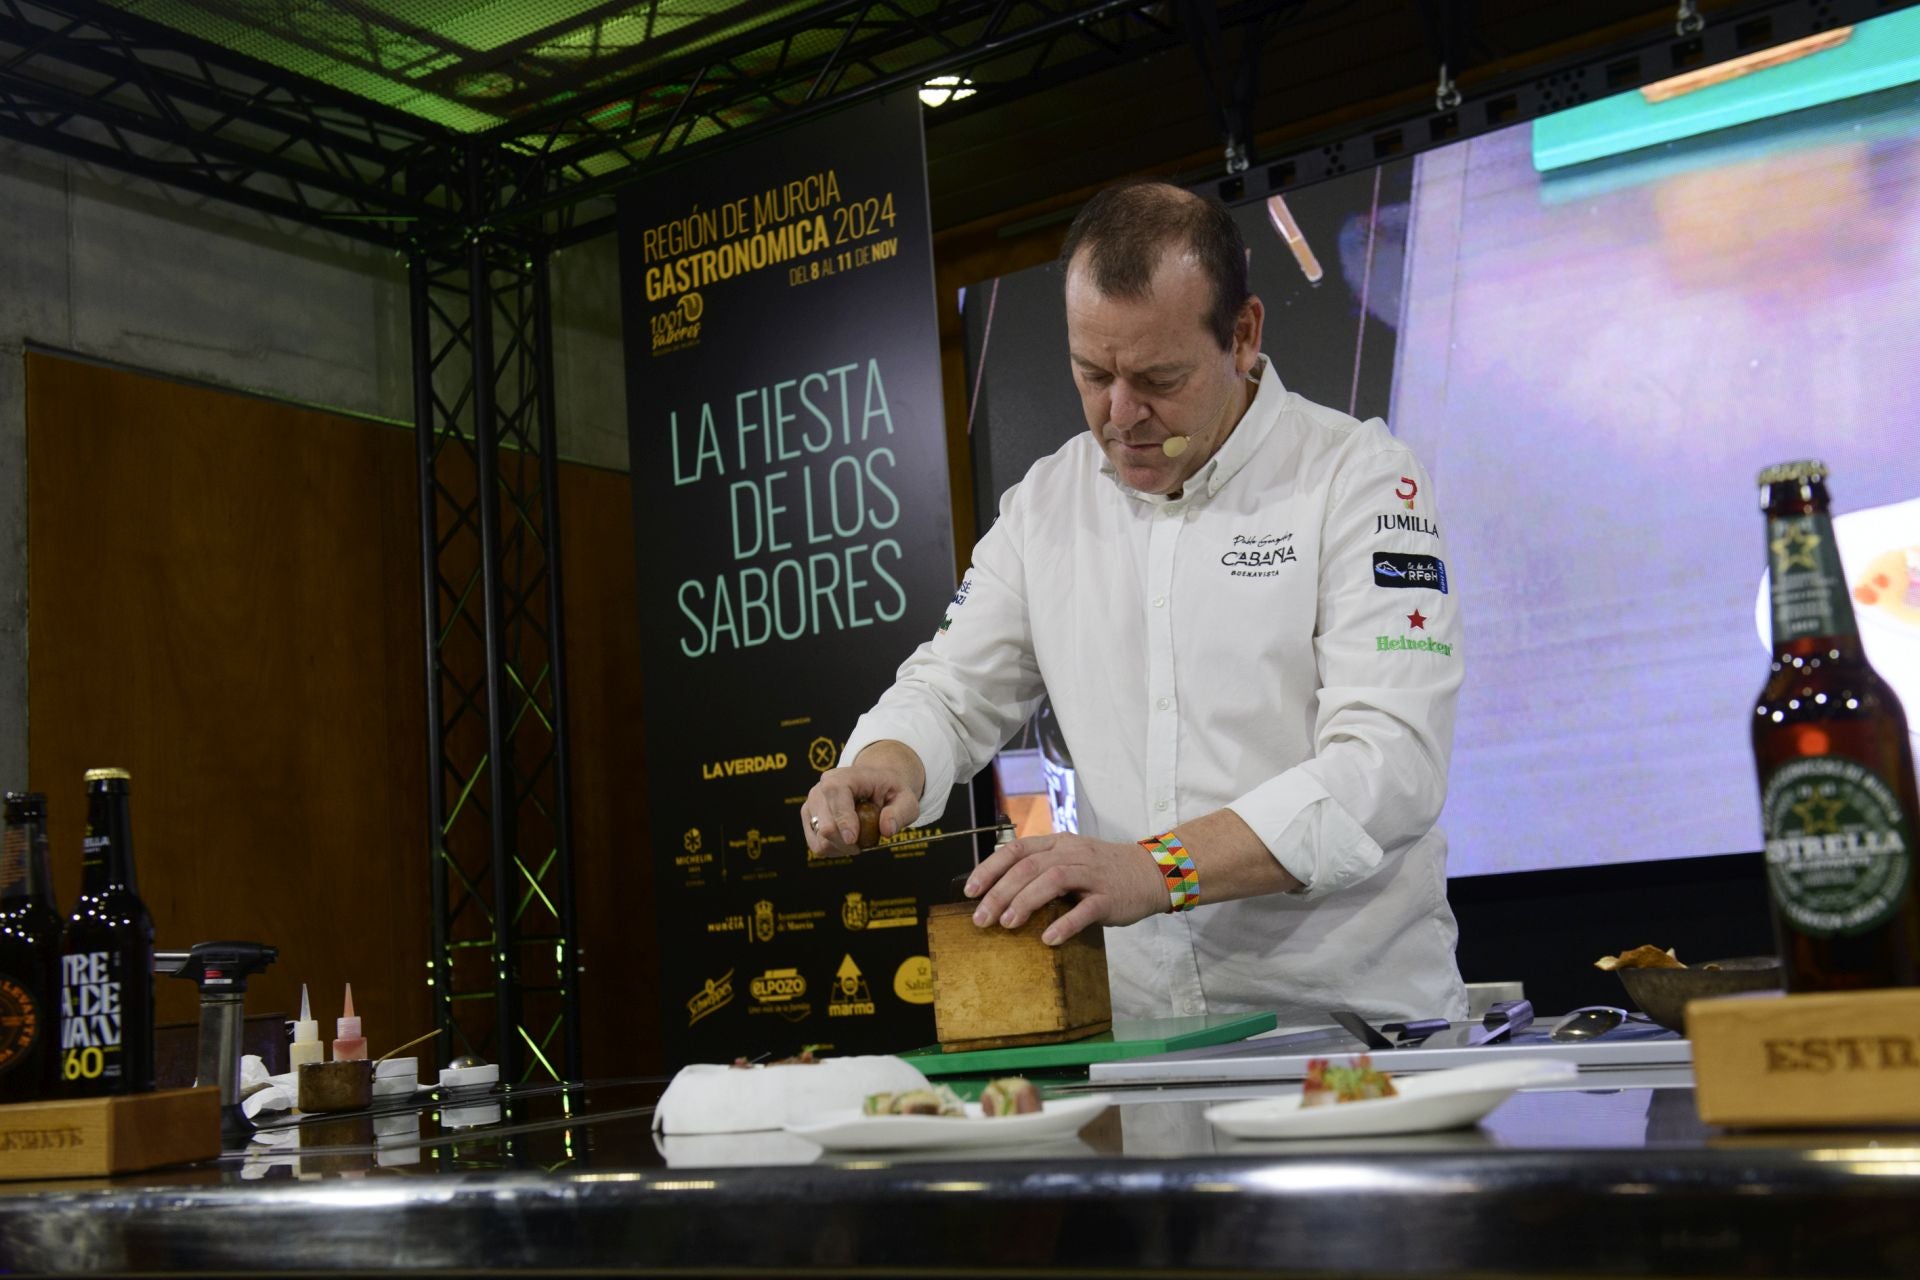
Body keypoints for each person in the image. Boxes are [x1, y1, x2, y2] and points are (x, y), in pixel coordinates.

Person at [801, 179, 1466, 1027]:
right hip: (1147, 1043)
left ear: (1244, 335)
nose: (1120, 416)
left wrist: (1159, 869)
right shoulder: (1048, 504)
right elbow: (949, 687)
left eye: (1159, 377)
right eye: (1092, 374)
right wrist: (888, 763)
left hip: (1345, 1032)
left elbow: (1389, 767)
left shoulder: (1360, 479)